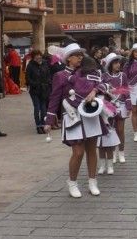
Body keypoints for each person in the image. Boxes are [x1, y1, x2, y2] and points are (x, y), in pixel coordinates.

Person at [44, 44, 102, 198]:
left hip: (90, 115)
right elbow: (54, 98)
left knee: (91, 149)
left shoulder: (88, 72)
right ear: (69, 58)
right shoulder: (60, 76)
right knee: (78, 152)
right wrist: (49, 120)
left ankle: (92, 181)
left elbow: (102, 84)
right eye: (77, 55)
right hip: (72, 116)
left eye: (81, 55)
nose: (80, 58)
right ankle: (72, 182)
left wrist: (95, 91)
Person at [101, 53, 131, 164]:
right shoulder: (104, 77)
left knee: (120, 130)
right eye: (115, 63)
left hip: (121, 104)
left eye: (118, 63)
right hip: (109, 106)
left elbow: (126, 91)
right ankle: (112, 153)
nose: (118, 65)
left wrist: (129, 105)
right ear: (110, 65)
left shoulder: (123, 75)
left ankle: (121, 152)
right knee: (111, 130)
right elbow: (102, 91)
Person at [25, 50, 51, 134]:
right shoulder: (30, 65)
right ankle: (38, 126)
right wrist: (35, 84)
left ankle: (43, 124)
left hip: (44, 89)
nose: (38, 57)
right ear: (33, 57)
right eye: (36, 56)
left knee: (43, 108)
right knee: (37, 108)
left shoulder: (45, 63)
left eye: (39, 55)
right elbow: (28, 79)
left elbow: (48, 75)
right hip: (34, 90)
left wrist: (47, 84)